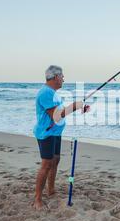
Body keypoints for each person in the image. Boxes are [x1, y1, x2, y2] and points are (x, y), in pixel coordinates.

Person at [32, 65, 89, 211]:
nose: (63, 78)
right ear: (56, 77)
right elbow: (56, 115)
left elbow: (60, 111)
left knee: (55, 160)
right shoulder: (46, 93)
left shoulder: (54, 93)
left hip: (55, 133)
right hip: (46, 133)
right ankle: (37, 199)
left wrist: (79, 107)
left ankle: (51, 190)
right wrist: (74, 106)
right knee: (46, 164)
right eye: (62, 76)